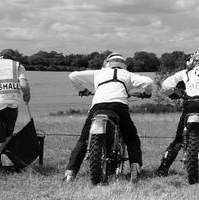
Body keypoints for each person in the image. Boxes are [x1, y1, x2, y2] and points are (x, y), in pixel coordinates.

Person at [63, 53, 155, 182]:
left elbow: (73, 76)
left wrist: (83, 90)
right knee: (131, 138)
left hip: (98, 106)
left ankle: (70, 172)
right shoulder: (127, 75)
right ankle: (135, 167)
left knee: (84, 139)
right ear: (124, 65)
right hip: (119, 106)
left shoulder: (99, 73)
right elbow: (149, 82)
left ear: (107, 63)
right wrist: (146, 93)